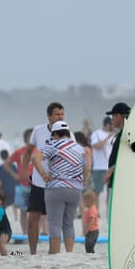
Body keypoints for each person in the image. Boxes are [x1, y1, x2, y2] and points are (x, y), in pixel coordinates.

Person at [37, 120, 88, 254]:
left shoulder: (52, 145)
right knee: (69, 222)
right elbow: (86, 167)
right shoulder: (80, 148)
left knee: (54, 223)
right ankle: (69, 253)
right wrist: (83, 182)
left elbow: (35, 158)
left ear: (55, 134)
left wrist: (43, 174)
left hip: (56, 187)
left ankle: (55, 253)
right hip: (75, 189)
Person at [25, 102, 64, 255]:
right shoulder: (38, 130)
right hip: (38, 183)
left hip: (57, 183)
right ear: (49, 116)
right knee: (32, 218)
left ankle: (52, 252)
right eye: (57, 114)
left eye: (62, 114)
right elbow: (28, 152)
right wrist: (23, 172)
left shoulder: (67, 132)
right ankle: (32, 252)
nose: (60, 116)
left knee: (54, 220)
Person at [89, 117, 114, 196]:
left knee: (111, 192)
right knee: (97, 192)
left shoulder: (114, 135)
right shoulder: (96, 133)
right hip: (99, 167)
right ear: (108, 124)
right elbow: (96, 146)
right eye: (112, 124)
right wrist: (107, 137)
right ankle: (96, 208)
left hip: (110, 167)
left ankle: (108, 208)